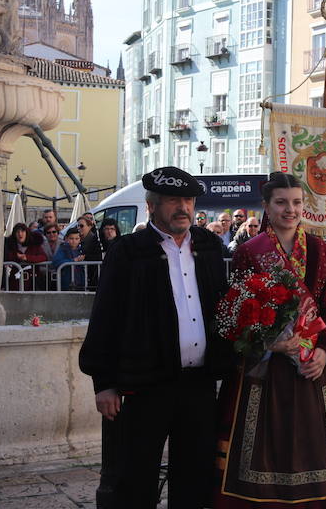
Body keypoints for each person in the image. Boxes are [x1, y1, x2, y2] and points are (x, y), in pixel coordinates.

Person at [79, 166, 232, 508]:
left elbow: (224, 307)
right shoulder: (129, 251)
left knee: (194, 476)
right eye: (174, 200)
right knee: (136, 476)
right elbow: (106, 316)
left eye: (189, 200)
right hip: (146, 384)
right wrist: (103, 382)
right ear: (152, 205)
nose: (183, 207)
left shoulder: (208, 245)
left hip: (199, 384)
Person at [213, 172, 326, 508]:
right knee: (266, 444)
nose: (289, 210)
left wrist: (323, 350)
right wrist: (271, 344)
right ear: (266, 206)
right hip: (266, 368)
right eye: (281, 203)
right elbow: (239, 310)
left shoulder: (322, 251)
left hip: (311, 368)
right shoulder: (249, 252)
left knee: (314, 444)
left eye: (296, 202)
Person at [4, 223, 47, 291]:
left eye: (22, 231)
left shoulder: (35, 244)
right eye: (17, 232)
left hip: (33, 281)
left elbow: (43, 257)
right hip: (16, 281)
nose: (20, 234)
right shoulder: (10, 245)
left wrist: (27, 258)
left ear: (27, 232)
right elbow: (6, 257)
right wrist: (16, 256)